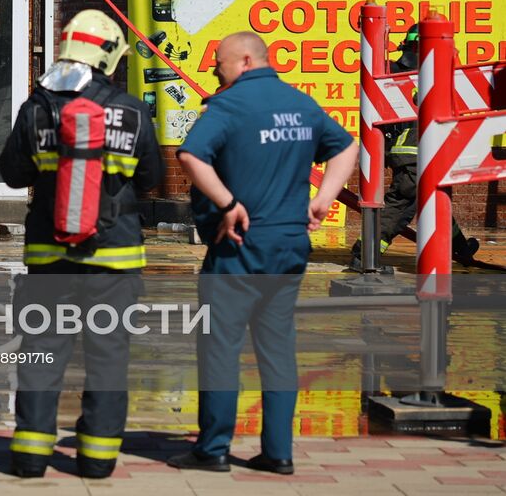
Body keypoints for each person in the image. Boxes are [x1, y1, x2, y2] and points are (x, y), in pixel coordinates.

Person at [167, 32, 358, 475]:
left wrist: (228, 204)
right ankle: (278, 452)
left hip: (240, 246)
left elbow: (191, 156)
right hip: (290, 244)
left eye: (220, 62)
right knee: (277, 349)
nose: (216, 69)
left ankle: (212, 449)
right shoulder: (301, 103)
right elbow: (347, 146)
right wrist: (324, 197)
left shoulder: (229, 105)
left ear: (246, 61)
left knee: (220, 347)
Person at [0, 9, 162, 479]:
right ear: (109, 57)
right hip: (115, 260)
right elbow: (152, 178)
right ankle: (97, 460)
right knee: (109, 356)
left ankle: (30, 456)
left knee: (43, 352)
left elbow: (11, 175)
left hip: (50, 260)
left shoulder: (38, 106)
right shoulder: (130, 111)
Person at [349, 24, 478, 270]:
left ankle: (459, 246)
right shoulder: (428, 74)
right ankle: (364, 253)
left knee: (433, 199)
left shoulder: (395, 71)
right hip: (415, 151)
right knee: (402, 205)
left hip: (412, 151)